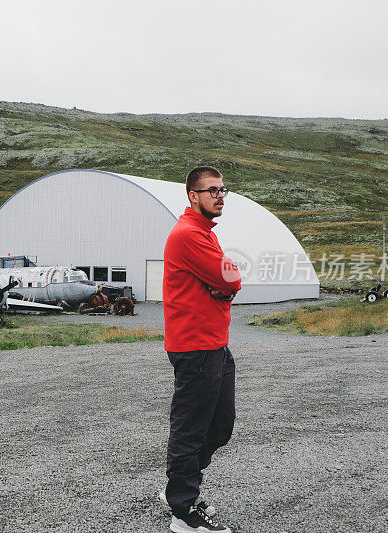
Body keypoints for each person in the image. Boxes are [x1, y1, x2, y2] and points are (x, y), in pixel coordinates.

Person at [160, 166, 242, 533]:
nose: (220, 196)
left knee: (221, 425)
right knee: (190, 429)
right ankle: (183, 513)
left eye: (223, 190)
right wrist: (224, 287)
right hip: (195, 348)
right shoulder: (190, 234)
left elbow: (225, 281)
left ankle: (177, 487)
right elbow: (232, 278)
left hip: (214, 344)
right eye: (213, 191)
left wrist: (223, 287)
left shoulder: (206, 233)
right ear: (194, 196)